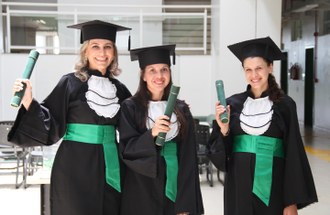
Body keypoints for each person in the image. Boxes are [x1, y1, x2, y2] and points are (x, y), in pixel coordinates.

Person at [8, 20, 132, 215]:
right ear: (85, 52)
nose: (102, 52)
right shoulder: (70, 83)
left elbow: (135, 124)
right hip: (74, 166)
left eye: (108, 47)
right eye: (95, 46)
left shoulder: (120, 90)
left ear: (114, 53)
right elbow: (51, 123)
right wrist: (29, 101)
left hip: (110, 165)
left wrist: (173, 109)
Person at [208, 36, 318, 215]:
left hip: (273, 189)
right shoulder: (231, 105)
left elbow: (293, 154)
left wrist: (291, 202)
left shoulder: (285, 105)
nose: (254, 75)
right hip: (238, 187)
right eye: (248, 70)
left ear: (270, 67)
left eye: (259, 68)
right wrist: (224, 129)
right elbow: (219, 158)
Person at [118, 44, 204, 215]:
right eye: (152, 70)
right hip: (141, 187)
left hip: (175, 184)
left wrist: (185, 203)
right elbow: (127, 150)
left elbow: (188, 158)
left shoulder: (181, 109)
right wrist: (152, 134)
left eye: (164, 69)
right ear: (143, 75)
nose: (159, 75)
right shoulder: (130, 107)